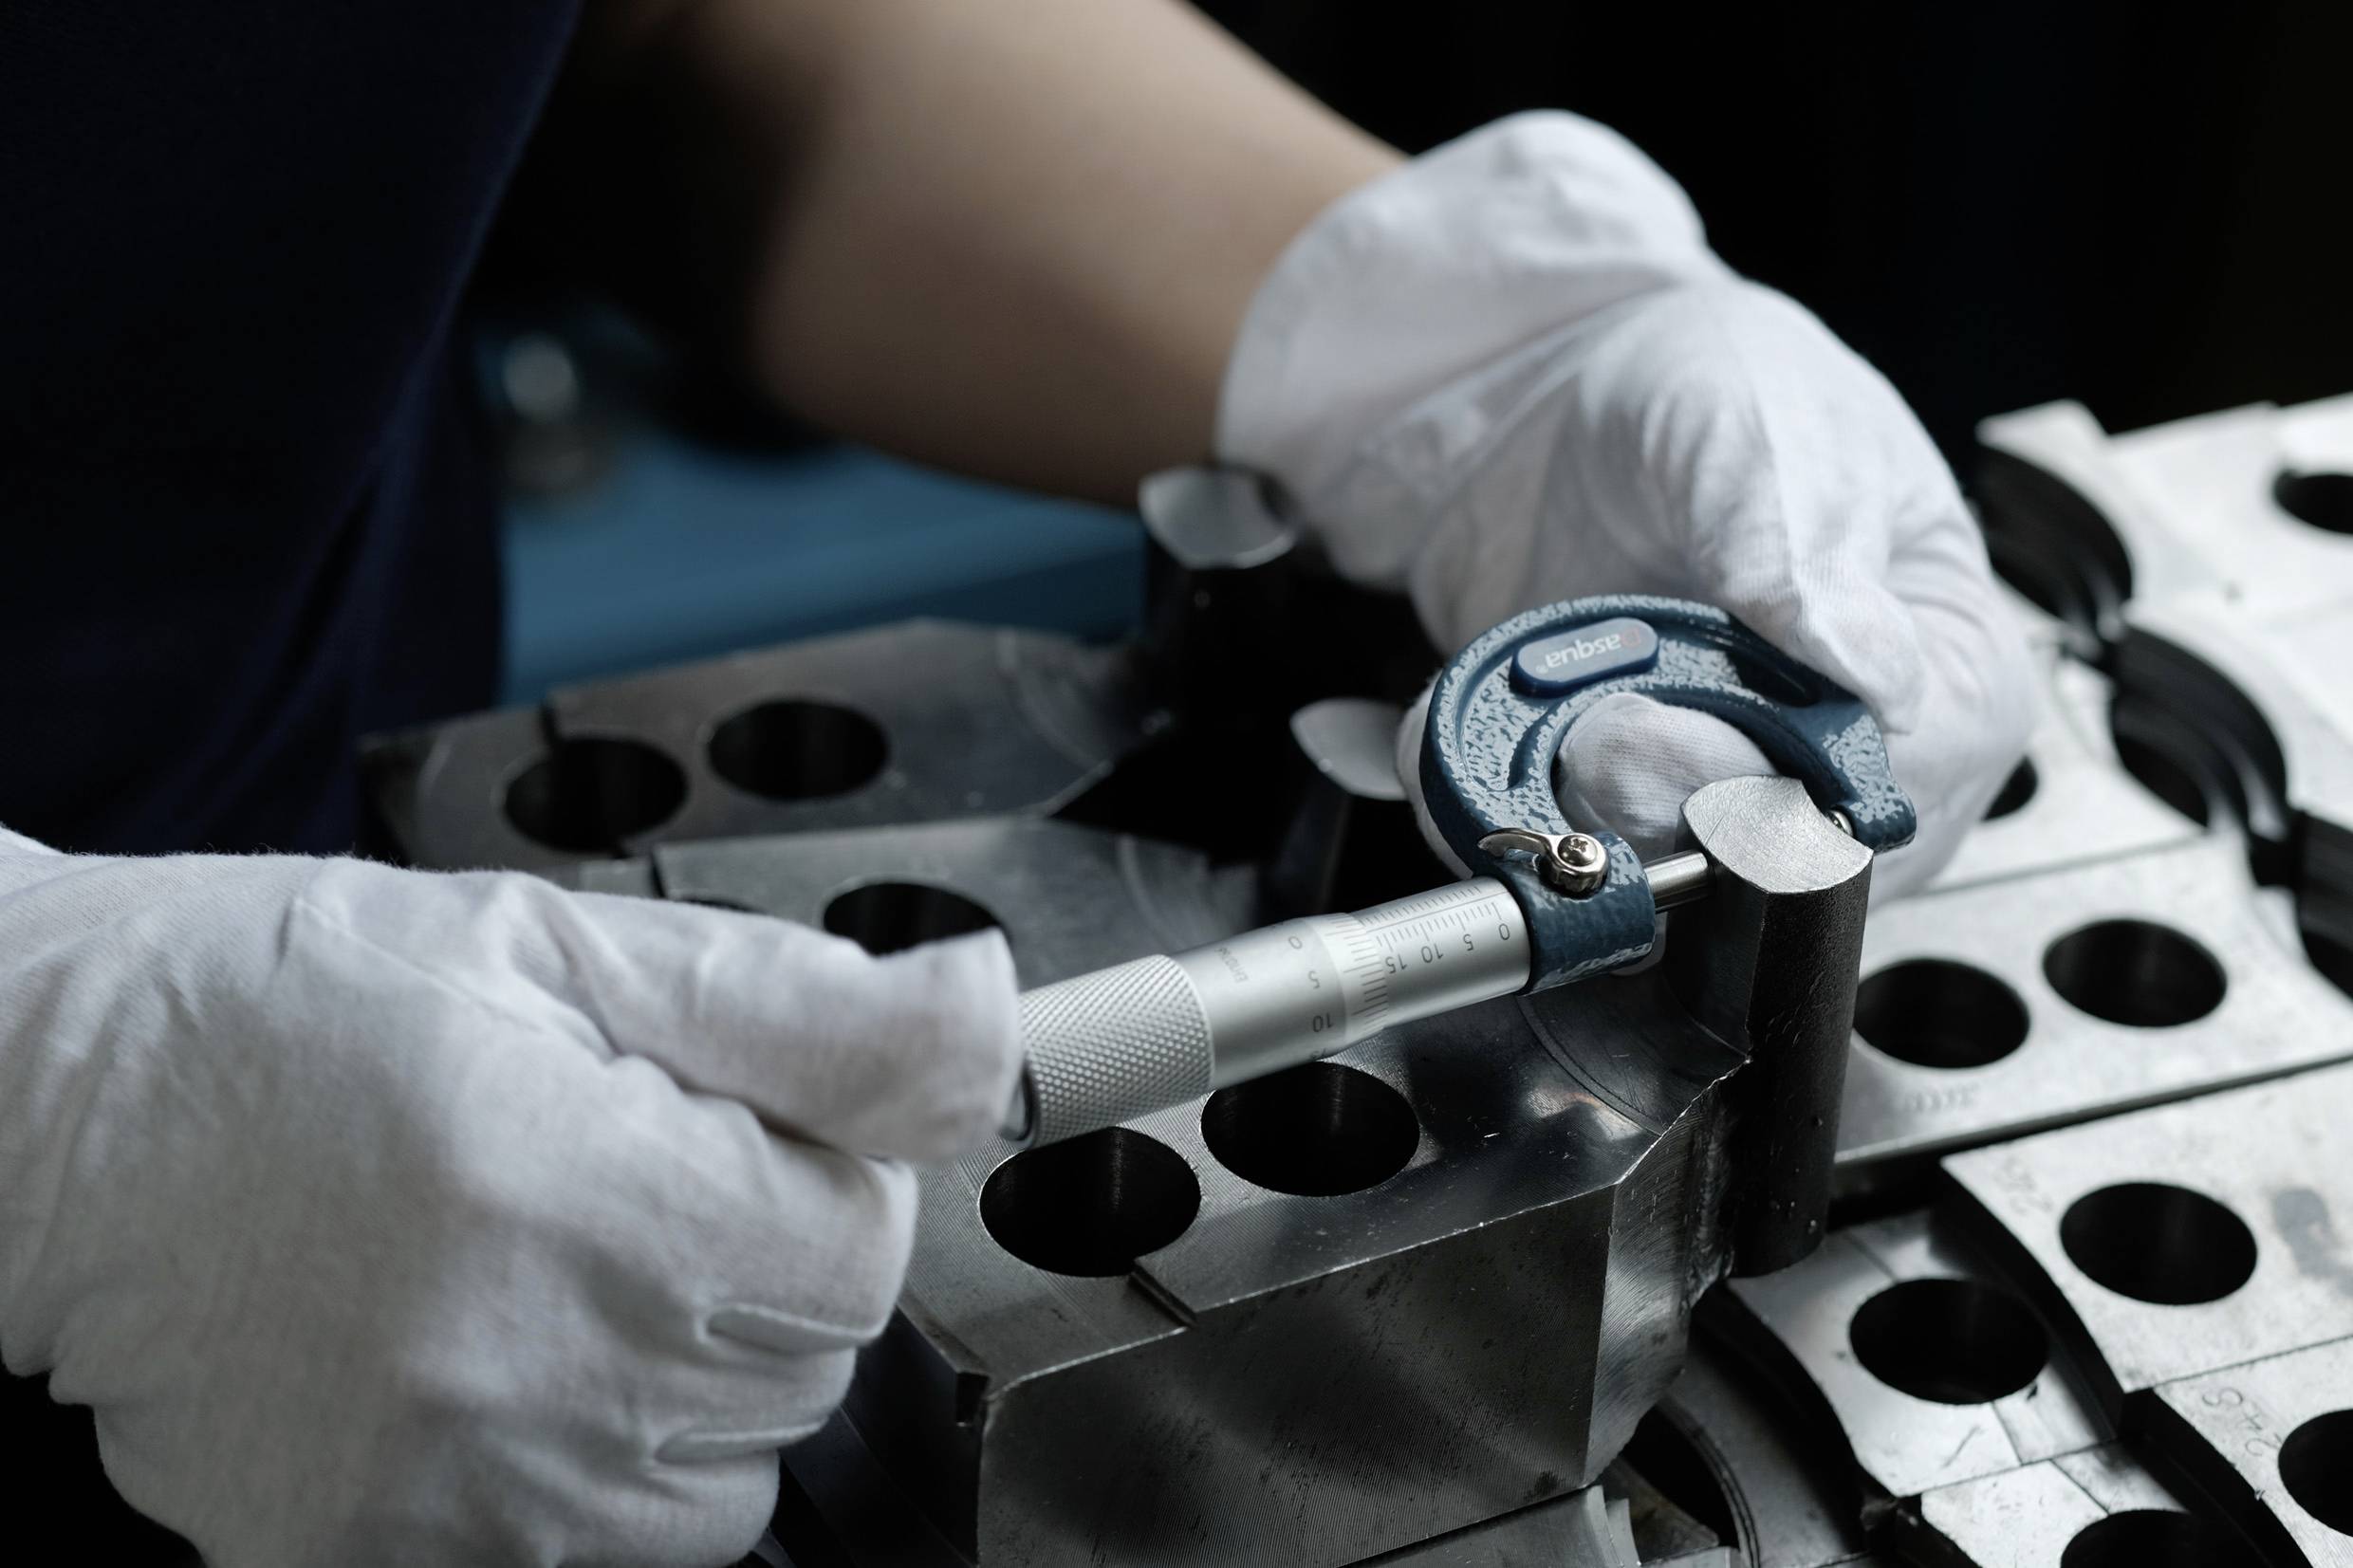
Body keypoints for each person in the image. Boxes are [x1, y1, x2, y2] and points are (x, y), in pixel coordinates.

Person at [0, 1, 2035, 1561]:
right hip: (210, 1117)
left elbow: (652, 35)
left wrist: (1432, 340)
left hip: (388, 1083)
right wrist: (47, 1080)